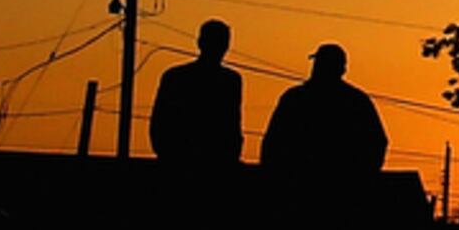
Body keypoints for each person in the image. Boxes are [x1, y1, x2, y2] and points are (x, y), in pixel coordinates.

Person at [258, 42, 388, 181]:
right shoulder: (357, 100)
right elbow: (377, 142)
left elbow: (273, 141)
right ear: (343, 69)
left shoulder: (295, 98)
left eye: (320, 64)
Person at [146, 19, 244, 164]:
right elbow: (231, 125)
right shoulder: (230, 81)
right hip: (187, 158)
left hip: (201, 159)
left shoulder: (175, 76)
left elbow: (232, 126)